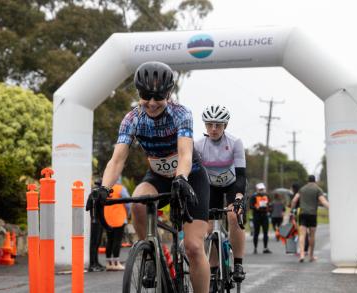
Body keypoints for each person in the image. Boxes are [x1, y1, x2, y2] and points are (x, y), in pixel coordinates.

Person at [98, 61, 210, 292]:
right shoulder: (133, 118)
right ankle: (151, 255)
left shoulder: (181, 114)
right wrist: (103, 188)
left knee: (193, 246)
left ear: (169, 93)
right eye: (145, 95)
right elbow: (117, 159)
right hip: (158, 176)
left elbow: (185, 153)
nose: (151, 102)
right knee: (139, 202)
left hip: (191, 177)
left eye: (157, 97)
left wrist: (181, 177)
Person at [194, 104, 247, 285]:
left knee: (234, 215)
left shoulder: (235, 142)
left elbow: (241, 175)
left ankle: (238, 263)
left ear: (225, 125)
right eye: (209, 124)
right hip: (211, 186)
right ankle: (214, 268)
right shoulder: (199, 145)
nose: (214, 129)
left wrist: (239, 197)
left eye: (218, 125)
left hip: (232, 185)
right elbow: (196, 174)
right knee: (209, 229)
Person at [291, 175, 329, 262]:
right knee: (312, 235)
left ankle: (302, 255)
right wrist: (331, 209)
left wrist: (292, 210)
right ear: (315, 181)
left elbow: (294, 200)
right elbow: (323, 201)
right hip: (312, 215)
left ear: (307, 181)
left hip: (302, 214)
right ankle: (311, 256)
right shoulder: (318, 189)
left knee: (302, 235)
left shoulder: (302, 189)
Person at [104, 177, 130, 271]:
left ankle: (108, 263)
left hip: (107, 218)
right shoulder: (121, 188)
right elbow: (128, 203)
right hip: (119, 218)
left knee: (109, 240)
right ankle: (116, 263)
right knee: (117, 241)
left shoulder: (105, 189)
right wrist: (128, 214)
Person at [86, 179, 105, 272]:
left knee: (96, 243)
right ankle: (92, 264)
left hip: (96, 219)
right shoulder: (98, 193)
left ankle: (95, 262)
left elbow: (87, 207)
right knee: (94, 243)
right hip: (97, 220)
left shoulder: (92, 193)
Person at [249, 182, 272, 254]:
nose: (262, 190)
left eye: (263, 189)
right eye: (260, 189)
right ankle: (255, 248)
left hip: (265, 216)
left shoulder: (267, 196)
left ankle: (265, 248)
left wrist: (269, 207)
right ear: (257, 189)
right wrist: (256, 207)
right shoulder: (253, 196)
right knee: (256, 233)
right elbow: (251, 206)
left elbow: (270, 204)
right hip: (257, 216)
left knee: (265, 232)